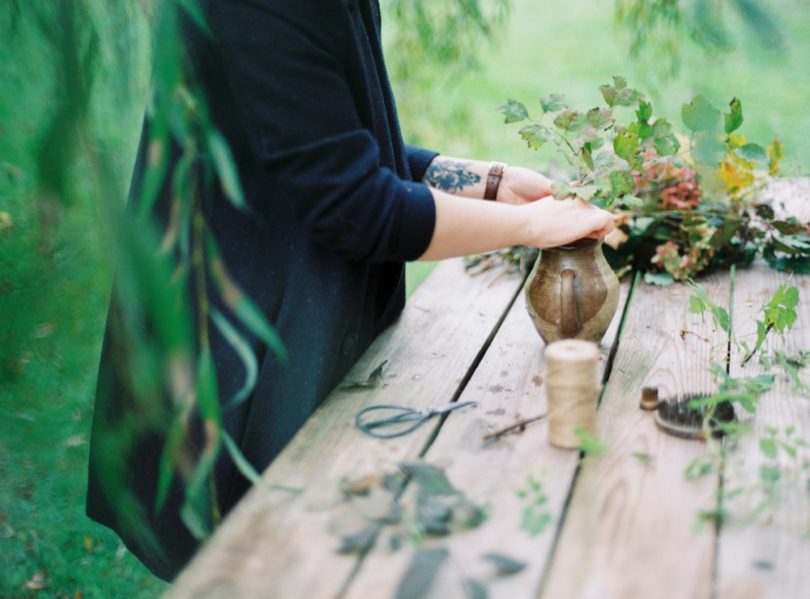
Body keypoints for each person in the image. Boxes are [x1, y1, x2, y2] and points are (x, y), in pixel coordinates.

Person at [86, 0, 614, 581]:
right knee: (263, 560)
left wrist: (487, 182)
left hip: (285, 293)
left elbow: (320, 142)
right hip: (233, 334)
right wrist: (532, 228)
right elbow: (355, 207)